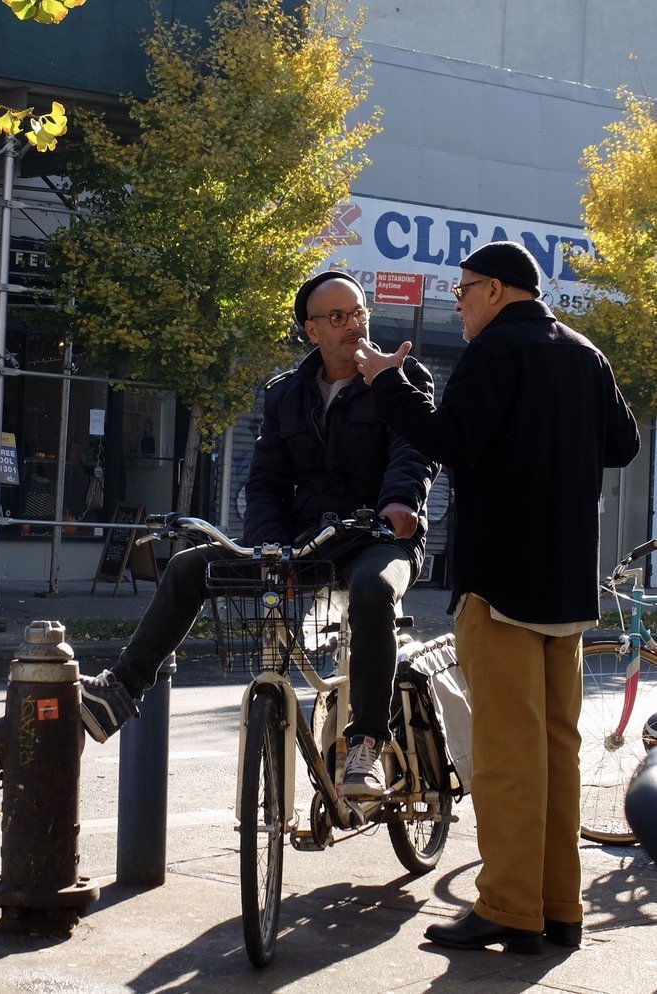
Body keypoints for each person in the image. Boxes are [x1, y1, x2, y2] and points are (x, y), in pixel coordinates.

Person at [354, 241, 640, 953]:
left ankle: (510, 908)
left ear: (496, 290)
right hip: (569, 583)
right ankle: (558, 907)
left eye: (464, 290)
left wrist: (387, 384)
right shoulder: (584, 353)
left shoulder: (496, 351)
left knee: (508, 755)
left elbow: (449, 438)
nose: (458, 302)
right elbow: (623, 446)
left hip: (501, 582)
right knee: (554, 750)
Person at [80, 270, 439, 799]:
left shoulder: (399, 375)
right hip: (308, 542)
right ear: (311, 330)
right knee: (187, 568)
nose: (352, 326)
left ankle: (366, 744)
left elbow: (415, 449)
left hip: (379, 538)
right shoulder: (285, 394)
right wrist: (271, 550)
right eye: (337, 317)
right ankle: (121, 690)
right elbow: (268, 480)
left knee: (373, 590)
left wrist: (399, 505)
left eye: (358, 313)